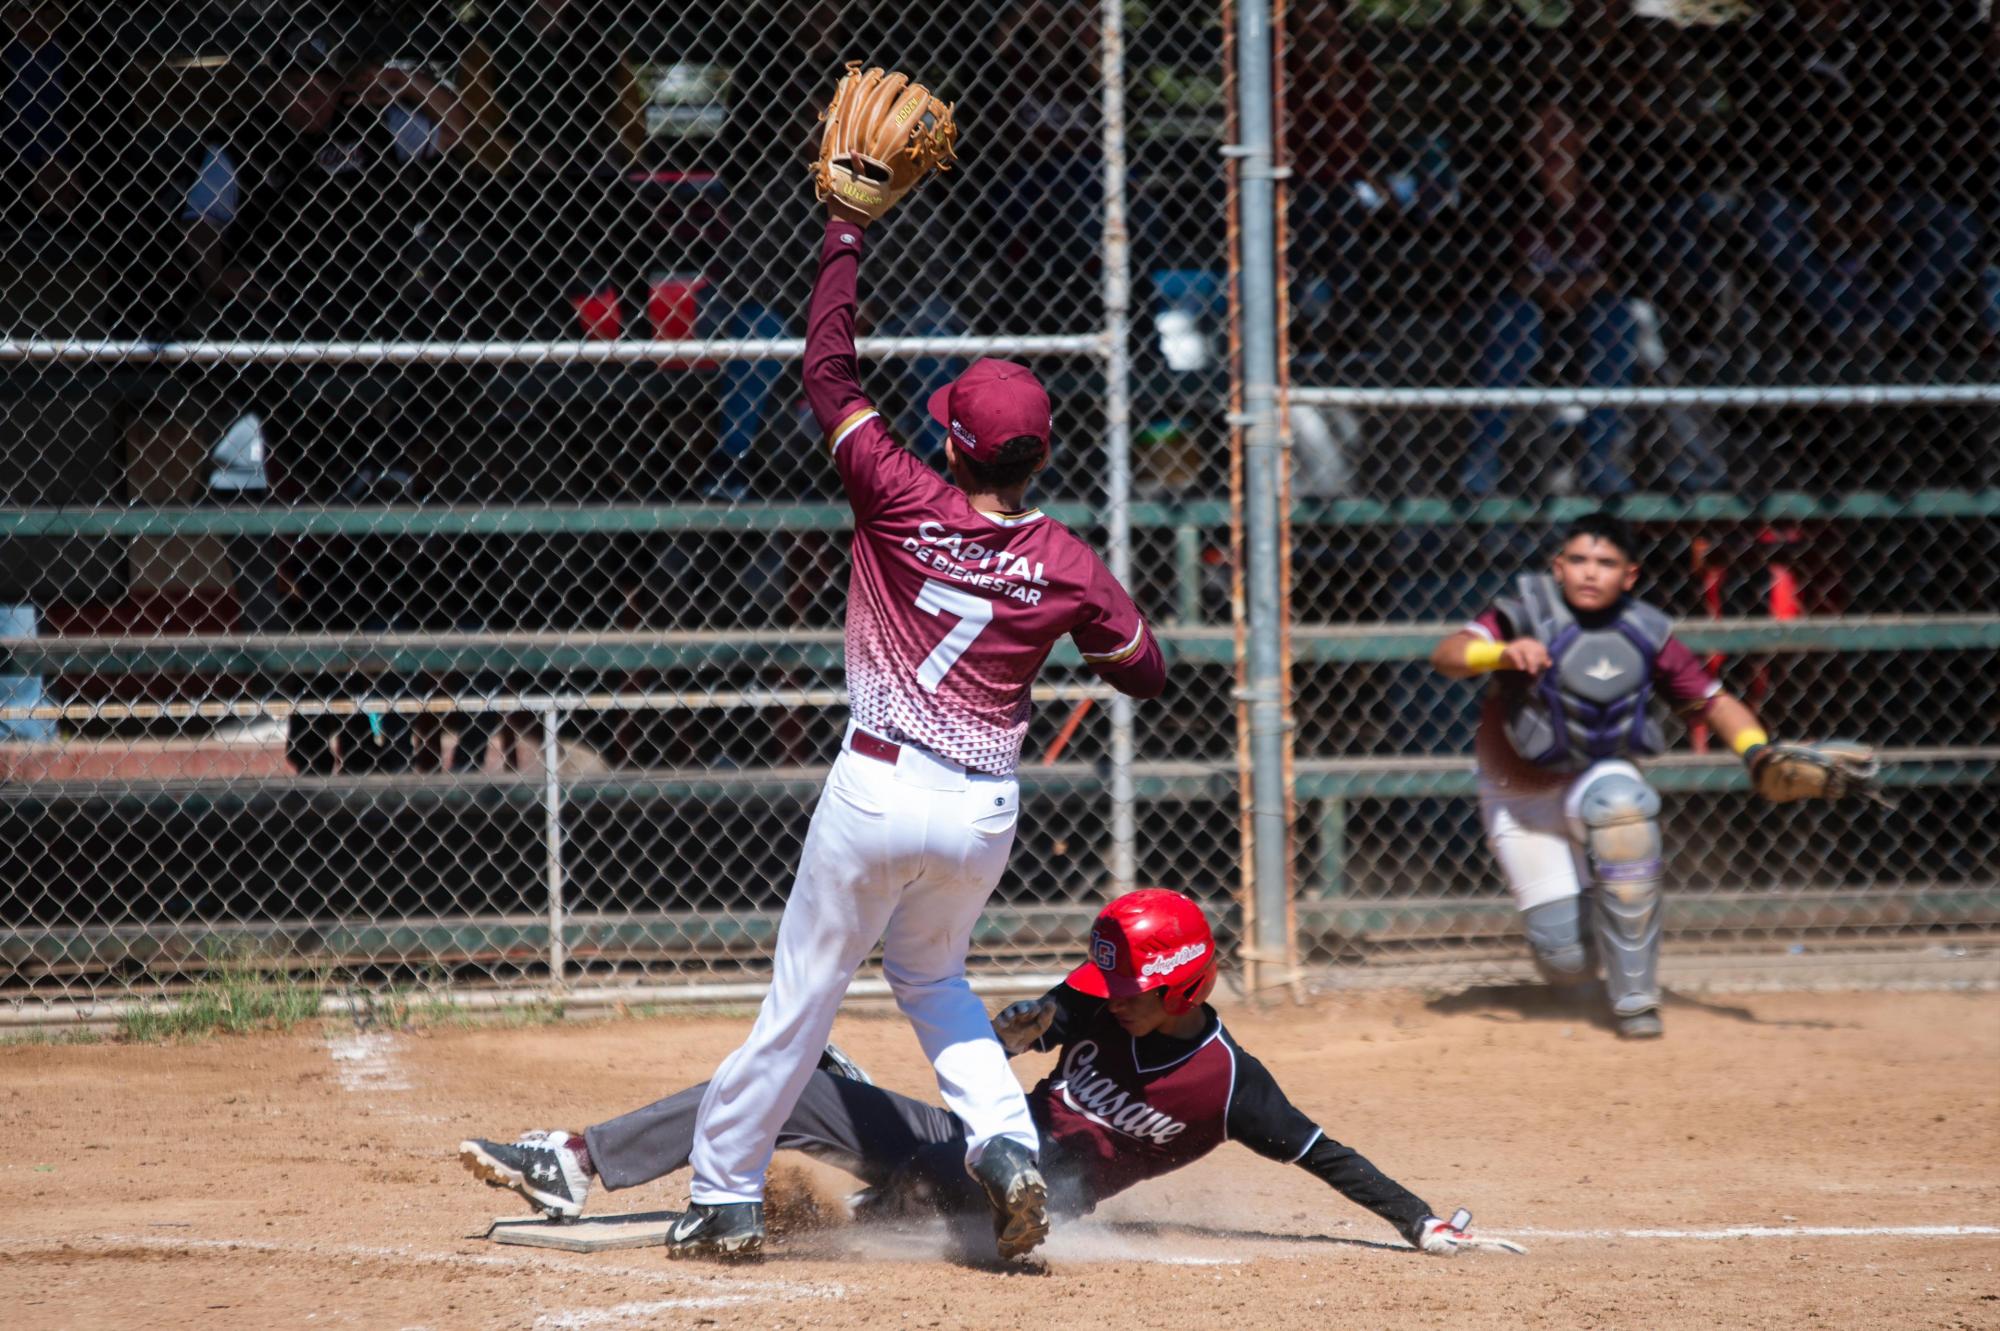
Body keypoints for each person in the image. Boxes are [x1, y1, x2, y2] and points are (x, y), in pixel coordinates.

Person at [581, 163, 1168, 1263]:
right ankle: (1004, 1143)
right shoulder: (1063, 559)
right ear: (1039, 456)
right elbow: (1146, 671)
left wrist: (846, 230)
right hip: (979, 810)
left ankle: (723, 1196)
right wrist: (1066, 617)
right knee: (935, 982)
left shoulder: (895, 487)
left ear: (951, 442)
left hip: (877, 780)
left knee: (804, 998)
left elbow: (824, 368)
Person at [459, 890, 1499, 1260]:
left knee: (869, 1210)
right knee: (781, 1079)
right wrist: (1020, 1024)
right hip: (964, 1140)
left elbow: (1326, 1153)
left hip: (1018, 1208)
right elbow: (1032, 1023)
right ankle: (573, 1159)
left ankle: (852, 1160)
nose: (1101, 994)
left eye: (1124, 984)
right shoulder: (1099, 996)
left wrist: (1418, 1220)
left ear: (1182, 991)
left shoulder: (1231, 1083)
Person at [1427, 512, 1778, 1039]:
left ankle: (1635, 998)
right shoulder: (1521, 612)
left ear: (1630, 575)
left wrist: (1759, 754)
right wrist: (1499, 653)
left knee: (1623, 810)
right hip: (1519, 794)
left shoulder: (1647, 632)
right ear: (1558, 565)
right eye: (1579, 560)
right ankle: (1593, 923)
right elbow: (1446, 655)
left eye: (1607, 563)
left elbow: (1713, 702)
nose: (1591, 573)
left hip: (1597, 776)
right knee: (1563, 958)